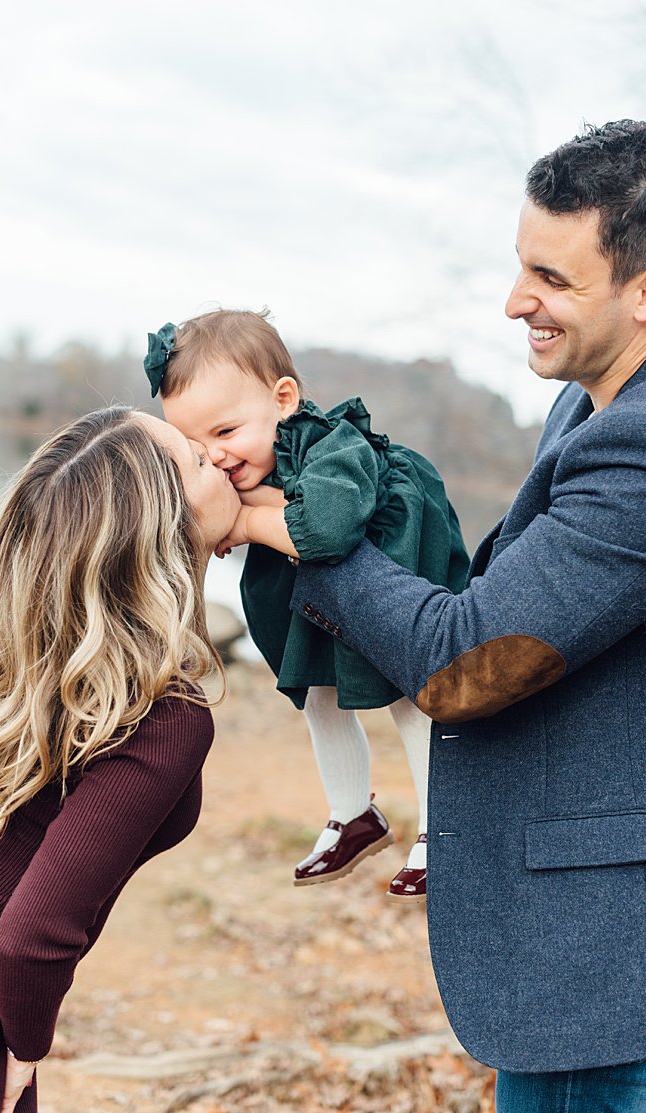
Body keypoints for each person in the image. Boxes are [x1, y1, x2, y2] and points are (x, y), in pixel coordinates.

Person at [225, 119, 646, 1111]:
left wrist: (287, 529)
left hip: (598, 947)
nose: (515, 300)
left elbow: (469, 664)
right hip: (576, 926)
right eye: (518, 264)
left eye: (552, 277)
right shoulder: (591, 402)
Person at [0, 407, 239, 1113]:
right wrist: (25, 1049)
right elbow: (27, 940)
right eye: (201, 461)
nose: (224, 458)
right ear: (160, 530)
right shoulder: (164, 715)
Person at [148, 309, 470, 900]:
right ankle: (354, 815)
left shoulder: (335, 447)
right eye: (196, 446)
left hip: (390, 573)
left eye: (224, 433)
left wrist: (245, 521)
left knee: (412, 699)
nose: (214, 457)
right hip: (316, 591)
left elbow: (322, 529)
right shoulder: (249, 460)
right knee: (317, 696)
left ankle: (447, 830)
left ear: (284, 398)